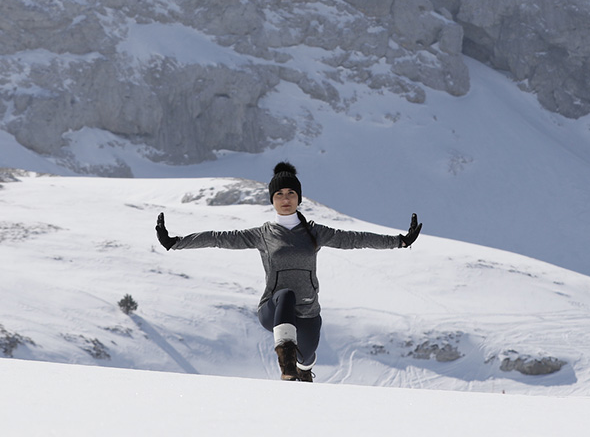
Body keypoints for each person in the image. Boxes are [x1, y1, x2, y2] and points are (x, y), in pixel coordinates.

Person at [156, 161, 422, 381]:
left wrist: (400, 241)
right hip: (273, 309)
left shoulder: (315, 232)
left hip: (308, 313)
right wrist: (175, 242)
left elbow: (356, 239)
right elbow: (218, 237)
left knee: (305, 358)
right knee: (285, 295)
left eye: (290, 194)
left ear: (299, 198)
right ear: (272, 199)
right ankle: (286, 362)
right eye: (279, 194)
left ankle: (302, 369)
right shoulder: (262, 235)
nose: (285, 199)